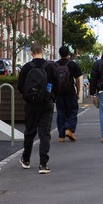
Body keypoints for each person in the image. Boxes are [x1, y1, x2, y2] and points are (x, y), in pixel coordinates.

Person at [17, 42, 59, 174]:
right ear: (43, 51)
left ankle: (26, 159)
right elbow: (57, 85)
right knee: (45, 133)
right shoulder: (50, 67)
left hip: (31, 104)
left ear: (31, 52)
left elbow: (20, 86)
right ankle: (43, 164)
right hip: (46, 103)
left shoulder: (26, 68)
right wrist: (53, 98)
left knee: (30, 131)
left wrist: (29, 95)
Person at [54, 46, 83, 142]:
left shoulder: (55, 65)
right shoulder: (72, 64)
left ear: (59, 53)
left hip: (58, 93)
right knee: (73, 111)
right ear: (68, 54)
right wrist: (78, 92)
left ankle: (61, 136)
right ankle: (69, 129)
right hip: (70, 91)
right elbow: (78, 80)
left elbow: (52, 80)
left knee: (61, 112)